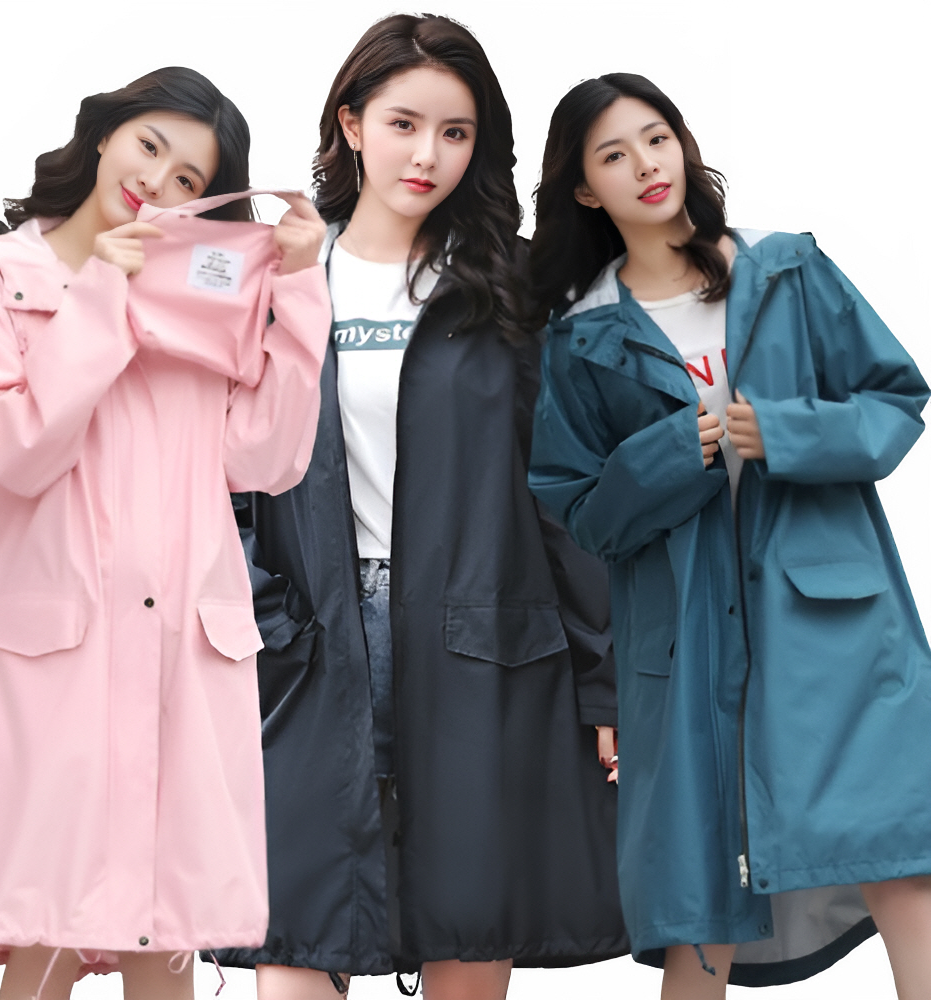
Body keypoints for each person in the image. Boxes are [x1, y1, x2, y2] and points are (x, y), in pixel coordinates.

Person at [210, 15, 627, 1000]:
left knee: (469, 927)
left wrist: (607, 685)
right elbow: (209, 476)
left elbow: (566, 495)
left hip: (484, 647)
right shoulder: (273, 279)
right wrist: (261, 619)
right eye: (403, 124)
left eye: (456, 132)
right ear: (351, 124)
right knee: (294, 936)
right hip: (306, 646)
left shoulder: (516, 287)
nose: (428, 154)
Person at [527, 72, 931, 999]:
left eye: (656, 138)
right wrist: (675, 452)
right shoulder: (581, 337)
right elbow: (581, 511)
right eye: (614, 155)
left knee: (900, 860)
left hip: (831, 624)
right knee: (699, 905)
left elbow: (896, 400)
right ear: (585, 188)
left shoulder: (785, 270)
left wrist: (786, 432)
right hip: (685, 641)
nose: (646, 165)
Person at [0, 66, 330, 1000]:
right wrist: (100, 296)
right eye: (149, 145)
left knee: (168, 930)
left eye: (189, 178)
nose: (157, 182)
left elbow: (265, 459)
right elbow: (15, 450)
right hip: (54, 659)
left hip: (182, 649)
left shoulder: (201, 298)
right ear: (105, 133)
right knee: (47, 927)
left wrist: (300, 293)